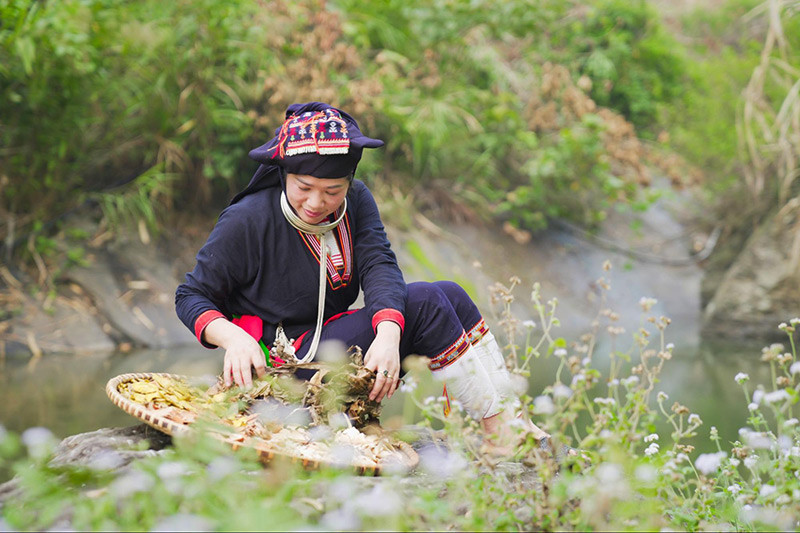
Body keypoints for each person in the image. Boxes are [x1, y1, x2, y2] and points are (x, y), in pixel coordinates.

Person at [175, 102, 553, 451]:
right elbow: (191, 296)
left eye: (332, 191)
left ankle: (511, 421)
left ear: (349, 181)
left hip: (331, 342)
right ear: (283, 174)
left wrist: (388, 334)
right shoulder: (247, 219)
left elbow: (379, 264)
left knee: (450, 293)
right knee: (426, 303)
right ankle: (500, 435)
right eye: (303, 188)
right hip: (281, 370)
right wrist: (234, 338)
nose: (315, 202)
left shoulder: (357, 201)